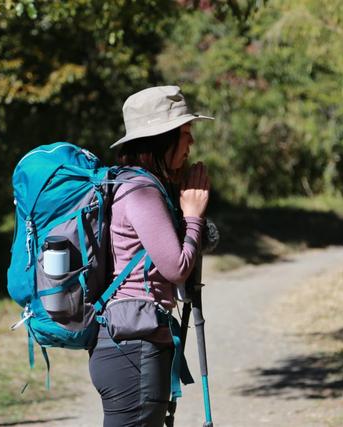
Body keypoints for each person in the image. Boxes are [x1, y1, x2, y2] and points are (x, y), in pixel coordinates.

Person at [89, 85, 212, 426]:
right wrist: (193, 215)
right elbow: (177, 268)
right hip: (135, 350)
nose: (191, 144)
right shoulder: (140, 190)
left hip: (126, 346)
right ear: (163, 139)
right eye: (185, 133)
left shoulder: (134, 184)